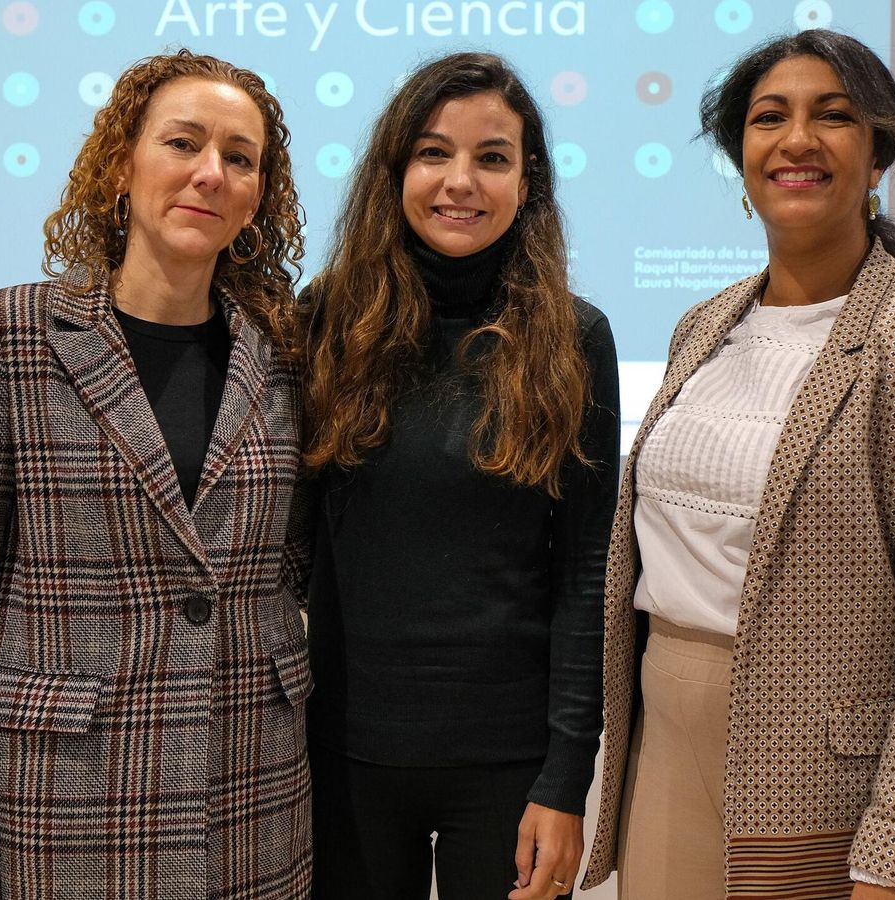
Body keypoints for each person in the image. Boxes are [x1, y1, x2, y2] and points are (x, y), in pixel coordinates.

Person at [583, 30, 895, 900]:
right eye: (768, 117)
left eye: (835, 115)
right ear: (741, 158)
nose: (796, 140)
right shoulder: (703, 327)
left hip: (829, 776)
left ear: (879, 154)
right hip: (663, 739)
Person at [0, 50, 311, 900]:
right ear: (123, 163)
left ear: (258, 197)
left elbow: (294, 562)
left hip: (250, 797)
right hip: (68, 799)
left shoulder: (281, 353)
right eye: (183, 143)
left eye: (240, 158)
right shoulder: (9, 331)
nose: (210, 172)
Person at [298, 52, 619, 900]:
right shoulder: (322, 321)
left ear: (528, 180)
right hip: (344, 757)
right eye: (434, 152)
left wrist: (565, 777)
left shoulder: (575, 338)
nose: (460, 182)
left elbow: (587, 572)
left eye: (493, 157)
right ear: (395, 169)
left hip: (510, 769)